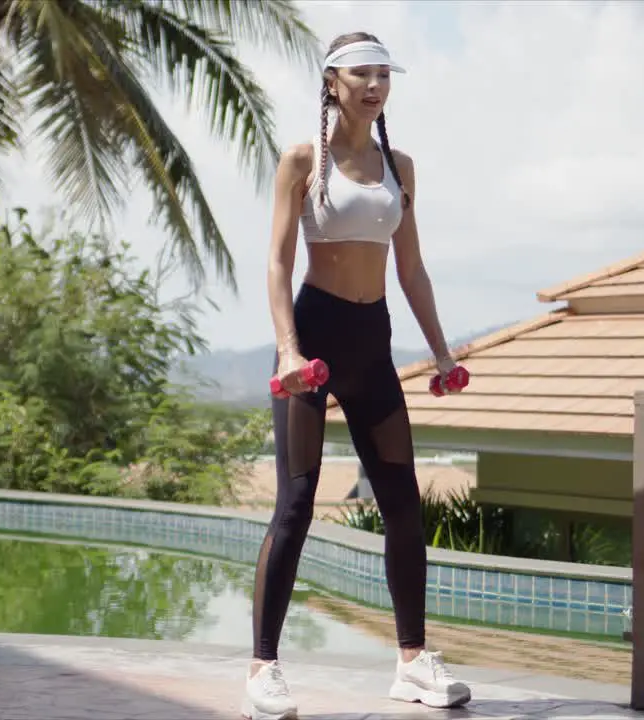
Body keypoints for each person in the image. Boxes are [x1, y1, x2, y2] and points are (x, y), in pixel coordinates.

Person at [241, 31, 472, 720]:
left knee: (402, 502)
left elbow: (412, 269)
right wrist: (287, 351)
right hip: (313, 338)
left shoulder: (399, 165)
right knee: (297, 501)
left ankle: (411, 663)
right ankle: (263, 668)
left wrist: (442, 352)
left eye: (383, 74)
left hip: (374, 342)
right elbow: (279, 263)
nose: (375, 85)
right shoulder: (301, 160)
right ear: (331, 83)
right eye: (361, 74)